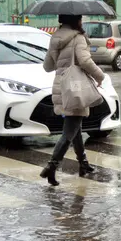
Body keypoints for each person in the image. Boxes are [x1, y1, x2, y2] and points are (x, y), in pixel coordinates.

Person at [40, 14, 106, 186]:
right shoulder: (78, 38)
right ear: (76, 20)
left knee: (75, 126)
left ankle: (83, 164)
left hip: (61, 87)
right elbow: (85, 60)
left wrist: (61, 60)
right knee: (69, 131)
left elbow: (47, 66)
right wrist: (100, 76)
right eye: (80, 19)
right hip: (75, 88)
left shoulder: (55, 38)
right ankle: (51, 167)